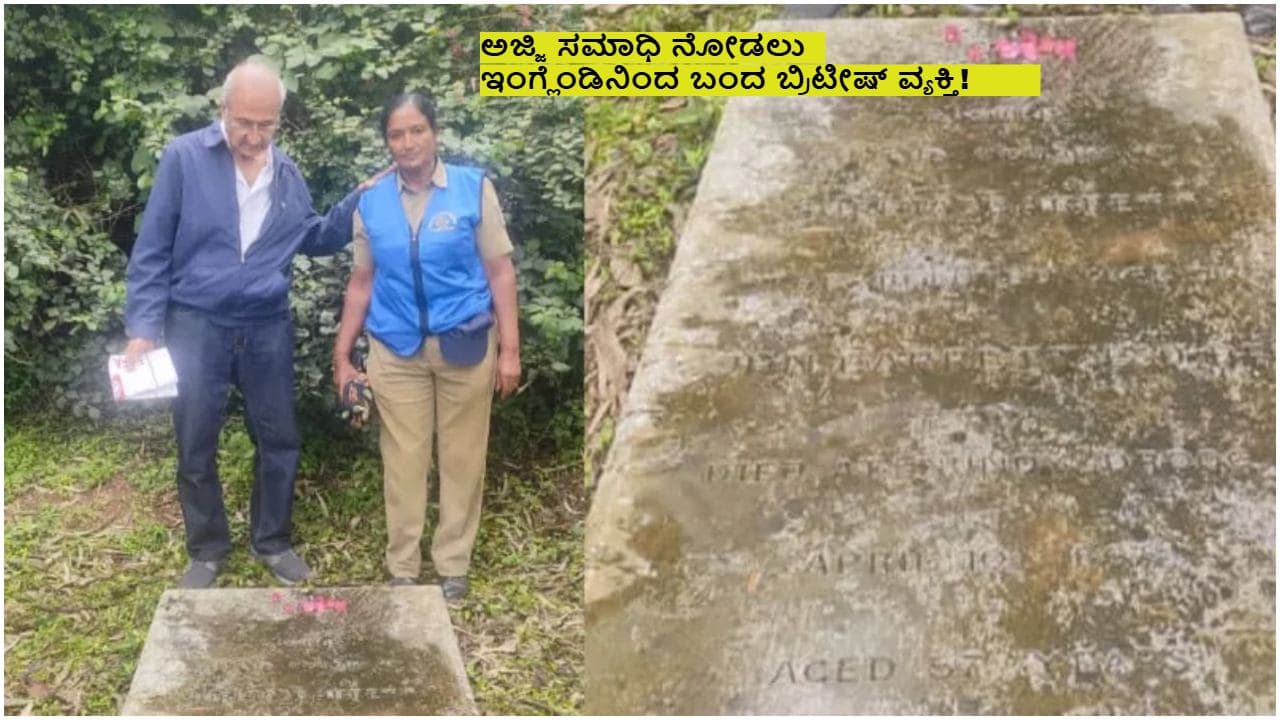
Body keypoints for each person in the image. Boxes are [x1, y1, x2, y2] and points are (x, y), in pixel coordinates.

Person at [124, 60, 371, 589]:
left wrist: (358, 201)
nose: (254, 136)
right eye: (245, 123)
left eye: (267, 125)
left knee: (279, 436)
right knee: (195, 439)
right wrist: (143, 326)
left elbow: (316, 236)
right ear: (223, 111)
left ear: (278, 121)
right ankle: (207, 549)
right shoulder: (184, 158)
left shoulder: (287, 174)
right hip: (197, 324)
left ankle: (273, 541)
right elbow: (152, 249)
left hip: (265, 325)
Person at [331, 91, 521, 602]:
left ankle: (453, 563)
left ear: (434, 132)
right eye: (396, 133)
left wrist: (509, 350)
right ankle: (403, 568)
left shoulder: (471, 188)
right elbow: (362, 282)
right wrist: (342, 356)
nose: (408, 141)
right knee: (404, 460)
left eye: (417, 130)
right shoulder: (370, 202)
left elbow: (499, 271)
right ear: (387, 142)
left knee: (462, 457)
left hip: (465, 344)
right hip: (395, 350)